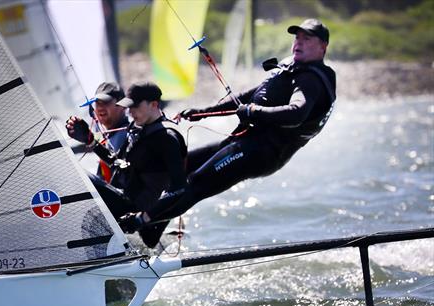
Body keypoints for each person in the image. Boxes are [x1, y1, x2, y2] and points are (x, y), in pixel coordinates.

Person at [121, 18, 336, 238]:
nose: (298, 43)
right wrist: (203, 112)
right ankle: (151, 232)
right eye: (297, 37)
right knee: (182, 168)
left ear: (322, 47)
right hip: (244, 142)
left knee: (196, 183)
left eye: (306, 38)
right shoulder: (292, 68)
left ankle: (140, 222)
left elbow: (296, 113)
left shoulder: (311, 80)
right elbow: (248, 97)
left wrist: (252, 112)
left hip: (260, 152)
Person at [70, 81, 188, 248]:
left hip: (138, 211)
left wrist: (143, 217)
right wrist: (91, 140)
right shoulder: (140, 131)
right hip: (128, 204)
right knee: (75, 173)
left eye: (135, 107)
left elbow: (179, 189)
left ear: (154, 104)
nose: (131, 113)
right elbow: (119, 165)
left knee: (80, 176)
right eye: (129, 107)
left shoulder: (168, 137)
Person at [66, 82, 130, 183]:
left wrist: (90, 140)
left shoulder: (129, 134)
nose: (100, 107)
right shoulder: (108, 136)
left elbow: (123, 171)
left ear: (122, 106)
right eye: (97, 102)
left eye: (106, 102)